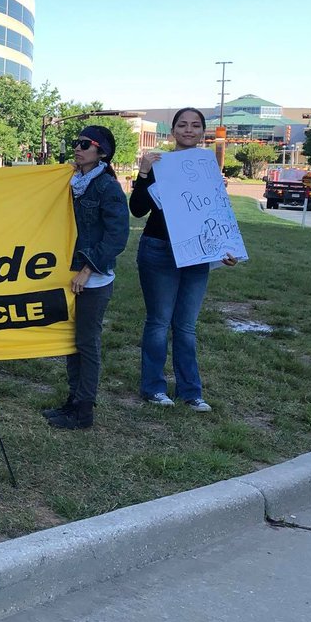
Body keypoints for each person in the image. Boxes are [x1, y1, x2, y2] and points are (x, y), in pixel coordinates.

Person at [130, 107, 237, 411]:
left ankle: (191, 392)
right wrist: (143, 172)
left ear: (202, 131)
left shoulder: (208, 167)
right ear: (173, 130)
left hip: (197, 253)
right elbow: (137, 210)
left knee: (186, 326)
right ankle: (153, 388)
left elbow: (215, 214)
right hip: (159, 250)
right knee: (159, 322)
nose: (188, 129)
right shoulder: (160, 164)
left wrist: (226, 250)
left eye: (195, 125)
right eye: (182, 124)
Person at [44, 125, 129, 430]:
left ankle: (84, 410)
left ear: (101, 152)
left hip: (92, 279)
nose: (77, 148)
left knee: (87, 343)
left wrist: (88, 268)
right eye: (75, 142)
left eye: (84, 144)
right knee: (73, 342)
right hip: (69, 275)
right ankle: (73, 400)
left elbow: (117, 237)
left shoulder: (107, 188)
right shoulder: (73, 182)